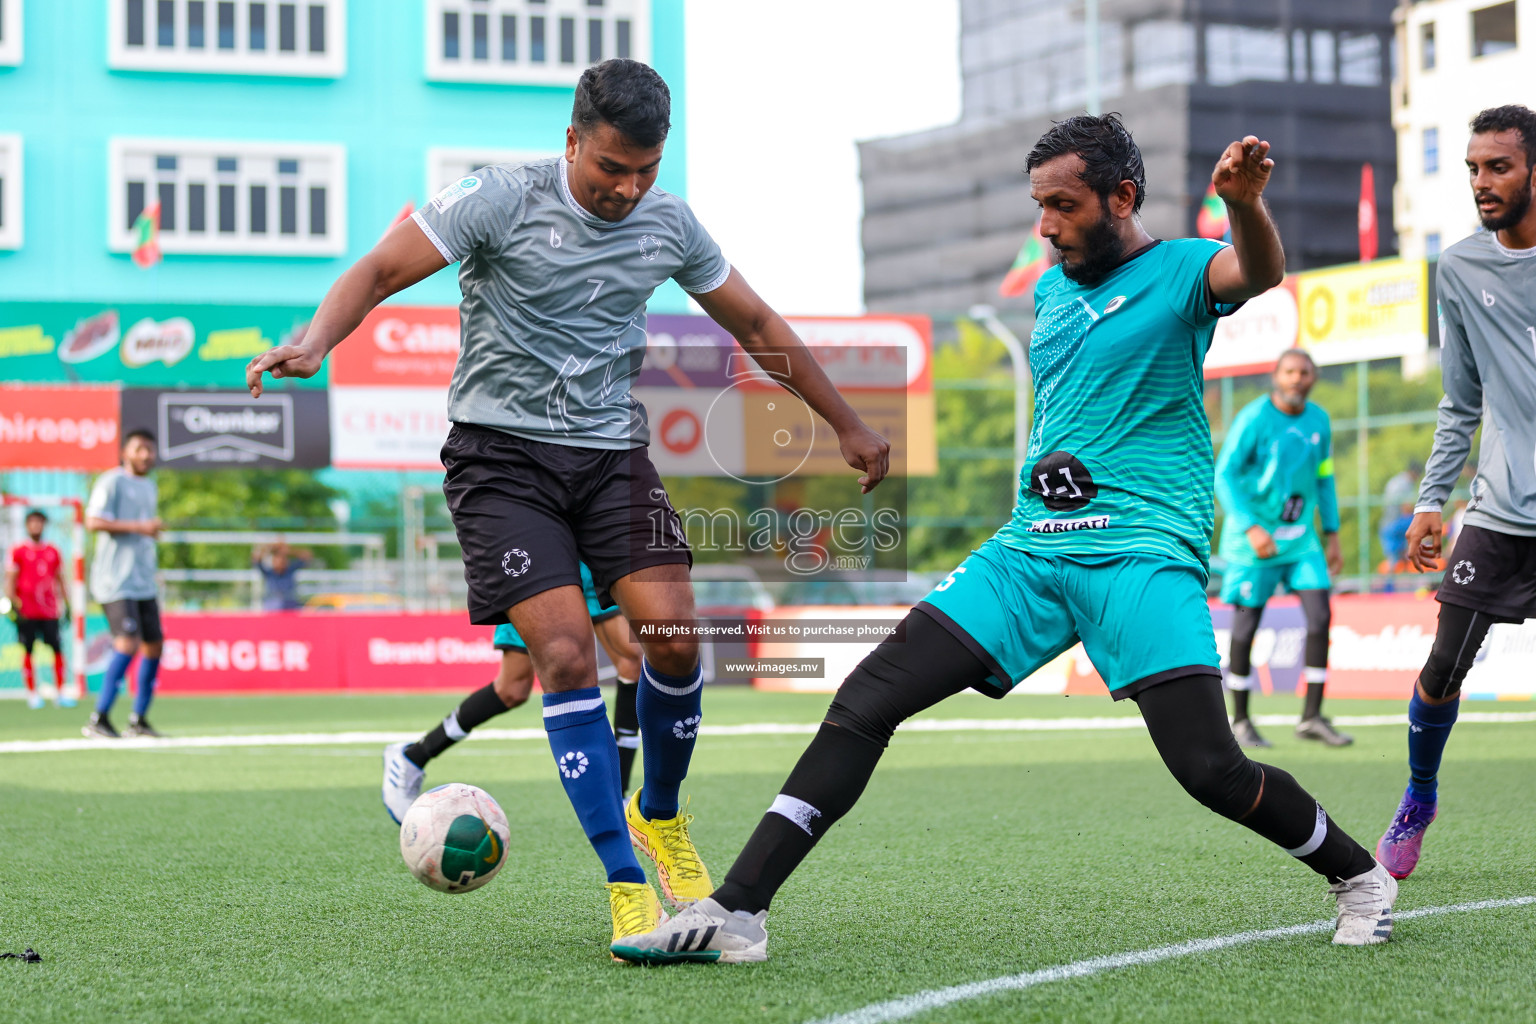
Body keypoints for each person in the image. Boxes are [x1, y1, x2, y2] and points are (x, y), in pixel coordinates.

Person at [614, 115, 1397, 965]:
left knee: (1211, 769)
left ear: (1121, 197)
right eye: (1039, 205)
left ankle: (1360, 876)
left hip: (1138, 554)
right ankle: (738, 911)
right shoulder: (1053, 286)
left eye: (1063, 206)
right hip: (1029, 552)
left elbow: (1259, 269)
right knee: (868, 698)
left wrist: (1242, 205)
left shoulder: (1181, 272)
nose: (1046, 225)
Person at [247, 59, 888, 948]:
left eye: (645, 172)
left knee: (672, 637)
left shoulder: (670, 223)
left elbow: (758, 325)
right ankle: (626, 884)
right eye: (610, 170)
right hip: (499, 460)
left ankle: (658, 816)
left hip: (610, 455)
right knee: (561, 654)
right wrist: (317, 341)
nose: (628, 190)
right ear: (572, 142)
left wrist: (846, 423)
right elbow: (381, 269)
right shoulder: (497, 199)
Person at [1377, 105, 1536, 880]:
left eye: (1498, 166)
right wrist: (1430, 501)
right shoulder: (1463, 270)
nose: (1481, 182)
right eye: (1474, 168)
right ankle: (1419, 795)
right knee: (1442, 668)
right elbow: (1460, 401)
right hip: (1503, 511)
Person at [382, 563, 645, 820]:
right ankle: (413, 756)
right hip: (538, 562)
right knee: (512, 689)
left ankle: (617, 796)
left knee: (632, 659)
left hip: (587, 560)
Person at [1214, 348, 1351, 748]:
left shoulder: (1319, 421)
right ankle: (1239, 721)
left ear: (1313, 378)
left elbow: (1323, 478)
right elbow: (1224, 475)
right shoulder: (1254, 418)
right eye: (1290, 371)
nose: (1297, 378)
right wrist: (1252, 528)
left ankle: (1311, 717)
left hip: (1302, 542)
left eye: (1305, 372)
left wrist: (1333, 533)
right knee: (1245, 627)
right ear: (1277, 376)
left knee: (1321, 616)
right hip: (1252, 546)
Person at [82, 429, 166, 739]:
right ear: (125, 452)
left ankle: (138, 720)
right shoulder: (111, 481)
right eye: (139, 448)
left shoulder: (149, 487)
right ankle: (99, 717)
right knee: (127, 643)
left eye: (150, 449)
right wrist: (140, 527)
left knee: (154, 645)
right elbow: (93, 521)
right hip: (115, 580)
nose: (146, 455)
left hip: (142, 581)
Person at [5, 509, 72, 710]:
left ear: (44, 525)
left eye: (39, 522)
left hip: (49, 611)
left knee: (57, 649)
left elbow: (60, 579)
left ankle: (60, 693)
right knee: (28, 650)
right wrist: (11, 604)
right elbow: (10, 580)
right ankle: (32, 694)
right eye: (32, 522)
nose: (36, 526)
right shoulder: (18, 551)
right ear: (27, 526)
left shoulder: (53, 551)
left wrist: (67, 604)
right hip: (26, 610)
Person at [252, 541, 311, 611]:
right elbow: (256, 559)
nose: (280, 562)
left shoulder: (290, 570)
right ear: (273, 561)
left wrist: (289, 551)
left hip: (290, 606)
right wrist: (269, 548)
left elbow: (307, 556)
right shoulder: (268, 573)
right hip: (272, 608)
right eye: (277, 560)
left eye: (283, 560)